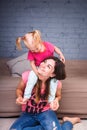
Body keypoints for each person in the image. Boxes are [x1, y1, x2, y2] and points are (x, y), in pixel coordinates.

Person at [10, 56, 80, 130]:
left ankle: (68, 122)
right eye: (44, 62)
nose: (43, 65)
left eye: (48, 66)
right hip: (28, 113)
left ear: (52, 74)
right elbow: (19, 89)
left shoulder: (56, 84)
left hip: (45, 113)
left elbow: (58, 96)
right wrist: (19, 97)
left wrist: (56, 100)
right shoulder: (28, 76)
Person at [16, 30, 65, 103]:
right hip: (38, 68)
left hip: (50, 68)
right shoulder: (31, 52)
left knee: (54, 82)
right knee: (31, 78)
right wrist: (37, 73)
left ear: (39, 41)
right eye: (31, 50)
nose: (34, 51)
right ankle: (26, 96)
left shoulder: (47, 45)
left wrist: (61, 54)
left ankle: (51, 101)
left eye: (36, 48)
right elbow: (32, 64)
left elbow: (55, 48)